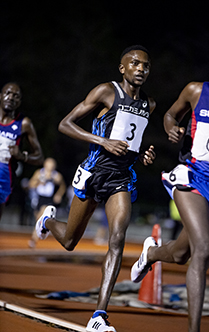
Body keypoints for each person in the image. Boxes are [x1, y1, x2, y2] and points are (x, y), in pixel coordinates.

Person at [34, 45, 156, 332]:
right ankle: (48, 220)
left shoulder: (148, 105)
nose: (141, 69)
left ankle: (98, 316)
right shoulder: (105, 92)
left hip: (121, 178)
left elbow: (131, 142)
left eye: (146, 66)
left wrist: (141, 155)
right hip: (93, 174)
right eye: (135, 63)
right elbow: (65, 124)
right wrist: (103, 142)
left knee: (117, 237)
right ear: (122, 68)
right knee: (69, 241)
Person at [131, 55, 209, 332]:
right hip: (193, 178)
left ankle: (151, 254)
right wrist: (173, 129)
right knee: (204, 250)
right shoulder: (197, 90)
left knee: (182, 254)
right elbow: (171, 115)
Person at [0, 82, 44, 220]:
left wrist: (21, 156)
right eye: (8, 93)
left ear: (19, 101)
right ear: (0, 96)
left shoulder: (24, 124)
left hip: (4, 178)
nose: (11, 98)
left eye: (16, 96)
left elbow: (39, 157)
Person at [28, 157, 66, 248]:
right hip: (39, 198)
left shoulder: (56, 175)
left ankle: (34, 239)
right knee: (37, 218)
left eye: (52, 165)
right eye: (49, 164)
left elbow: (63, 186)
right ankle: (36, 236)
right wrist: (38, 183)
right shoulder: (39, 173)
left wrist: (59, 195)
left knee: (41, 214)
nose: (50, 166)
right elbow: (30, 184)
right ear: (45, 165)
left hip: (49, 199)